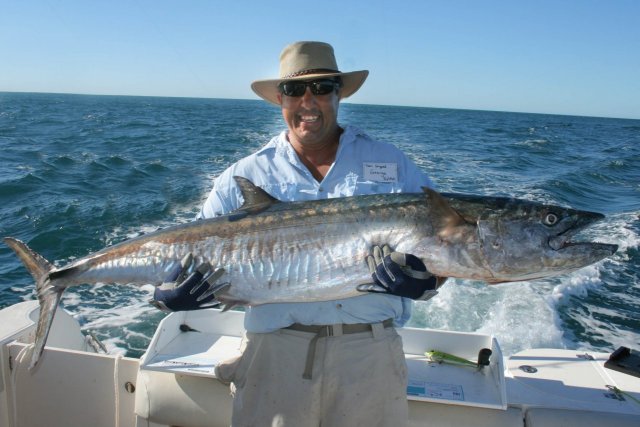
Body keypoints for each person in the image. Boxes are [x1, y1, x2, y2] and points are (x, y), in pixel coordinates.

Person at [153, 41, 446, 427]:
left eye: (322, 88)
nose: (309, 101)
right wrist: (164, 295)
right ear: (280, 99)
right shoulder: (247, 173)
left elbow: (446, 246)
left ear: (339, 93)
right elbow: (188, 249)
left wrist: (425, 283)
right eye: (295, 90)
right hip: (274, 354)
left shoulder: (392, 162)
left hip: (369, 354)